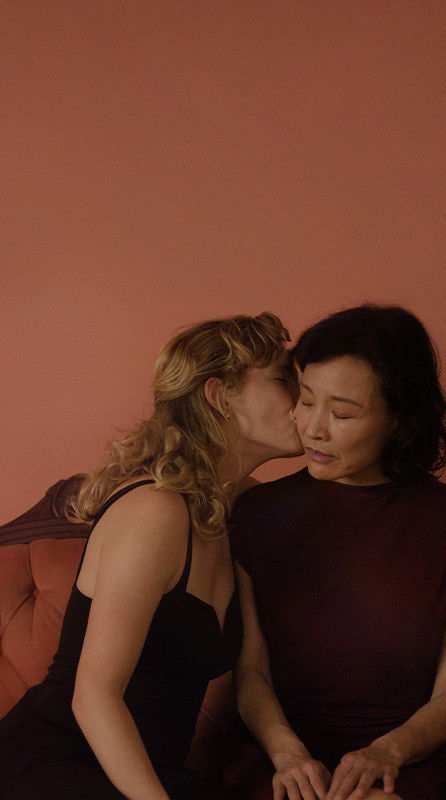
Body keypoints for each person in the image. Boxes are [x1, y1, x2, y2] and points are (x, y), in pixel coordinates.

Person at [0, 312, 302, 800]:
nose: (304, 398)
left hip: (148, 776)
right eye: (284, 380)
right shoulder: (156, 511)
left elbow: (253, 673)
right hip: (55, 763)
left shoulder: (241, 509)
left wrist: (291, 755)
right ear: (220, 396)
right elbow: (94, 697)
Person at [231, 305, 446, 800]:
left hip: (400, 767)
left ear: (398, 419)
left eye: (341, 413)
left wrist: (387, 751)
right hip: (278, 762)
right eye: (305, 399)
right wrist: (286, 753)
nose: (313, 428)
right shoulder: (256, 514)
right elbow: (252, 672)